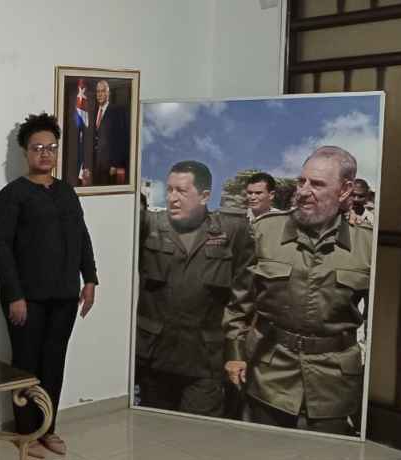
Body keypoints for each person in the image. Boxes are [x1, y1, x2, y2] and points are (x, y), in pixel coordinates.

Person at [224, 146, 372, 435]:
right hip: (268, 376)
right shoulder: (265, 232)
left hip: (334, 385)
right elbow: (239, 304)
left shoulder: (367, 245)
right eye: (301, 181)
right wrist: (235, 353)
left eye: (317, 184)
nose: (303, 191)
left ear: (345, 190)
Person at [0, 112, 99, 458]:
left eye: (51, 147)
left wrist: (90, 279)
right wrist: (14, 295)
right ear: (25, 151)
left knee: (54, 363)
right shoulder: (12, 196)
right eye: (38, 148)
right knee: (26, 366)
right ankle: (26, 434)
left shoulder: (66, 192)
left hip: (65, 296)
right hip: (27, 298)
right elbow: (1, 248)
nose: (45, 154)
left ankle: (47, 429)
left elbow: (82, 237)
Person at [135, 160, 252, 417]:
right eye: (169, 190)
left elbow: (241, 300)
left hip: (205, 360)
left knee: (198, 434)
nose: (172, 198)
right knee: (152, 431)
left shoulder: (232, 232)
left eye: (181, 191)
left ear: (205, 196)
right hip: (153, 357)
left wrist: (235, 353)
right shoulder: (149, 225)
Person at [89, 80, 130, 186]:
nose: (100, 94)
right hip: (96, 165)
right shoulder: (94, 112)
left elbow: (122, 139)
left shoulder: (117, 111)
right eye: (98, 91)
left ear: (108, 93)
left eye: (103, 91)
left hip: (110, 167)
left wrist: (115, 164)